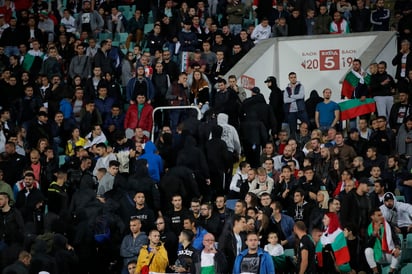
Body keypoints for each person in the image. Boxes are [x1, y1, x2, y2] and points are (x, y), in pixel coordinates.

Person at [365, 208, 401, 274]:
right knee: (367, 251)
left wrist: (397, 248)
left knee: (399, 251)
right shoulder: (368, 228)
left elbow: (396, 239)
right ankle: (375, 272)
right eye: (379, 215)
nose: (381, 217)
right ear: (372, 217)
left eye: (381, 215)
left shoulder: (389, 225)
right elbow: (368, 245)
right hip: (378, 255)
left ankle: (391, 272)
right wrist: (374, 233)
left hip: (388, 254)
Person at [283, 72, 309, 137]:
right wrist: (295, 98)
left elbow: (301, 96)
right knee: (292, 130)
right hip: (291, 112)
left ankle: (308, 140)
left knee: (307, 126)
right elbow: (285, 100)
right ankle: (294, 143)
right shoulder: (287, 88)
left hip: (301, 110)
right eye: (291, 78)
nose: (293, 79)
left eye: (294, 77)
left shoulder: (300, 86)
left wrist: (291, 96)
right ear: (289, 78)